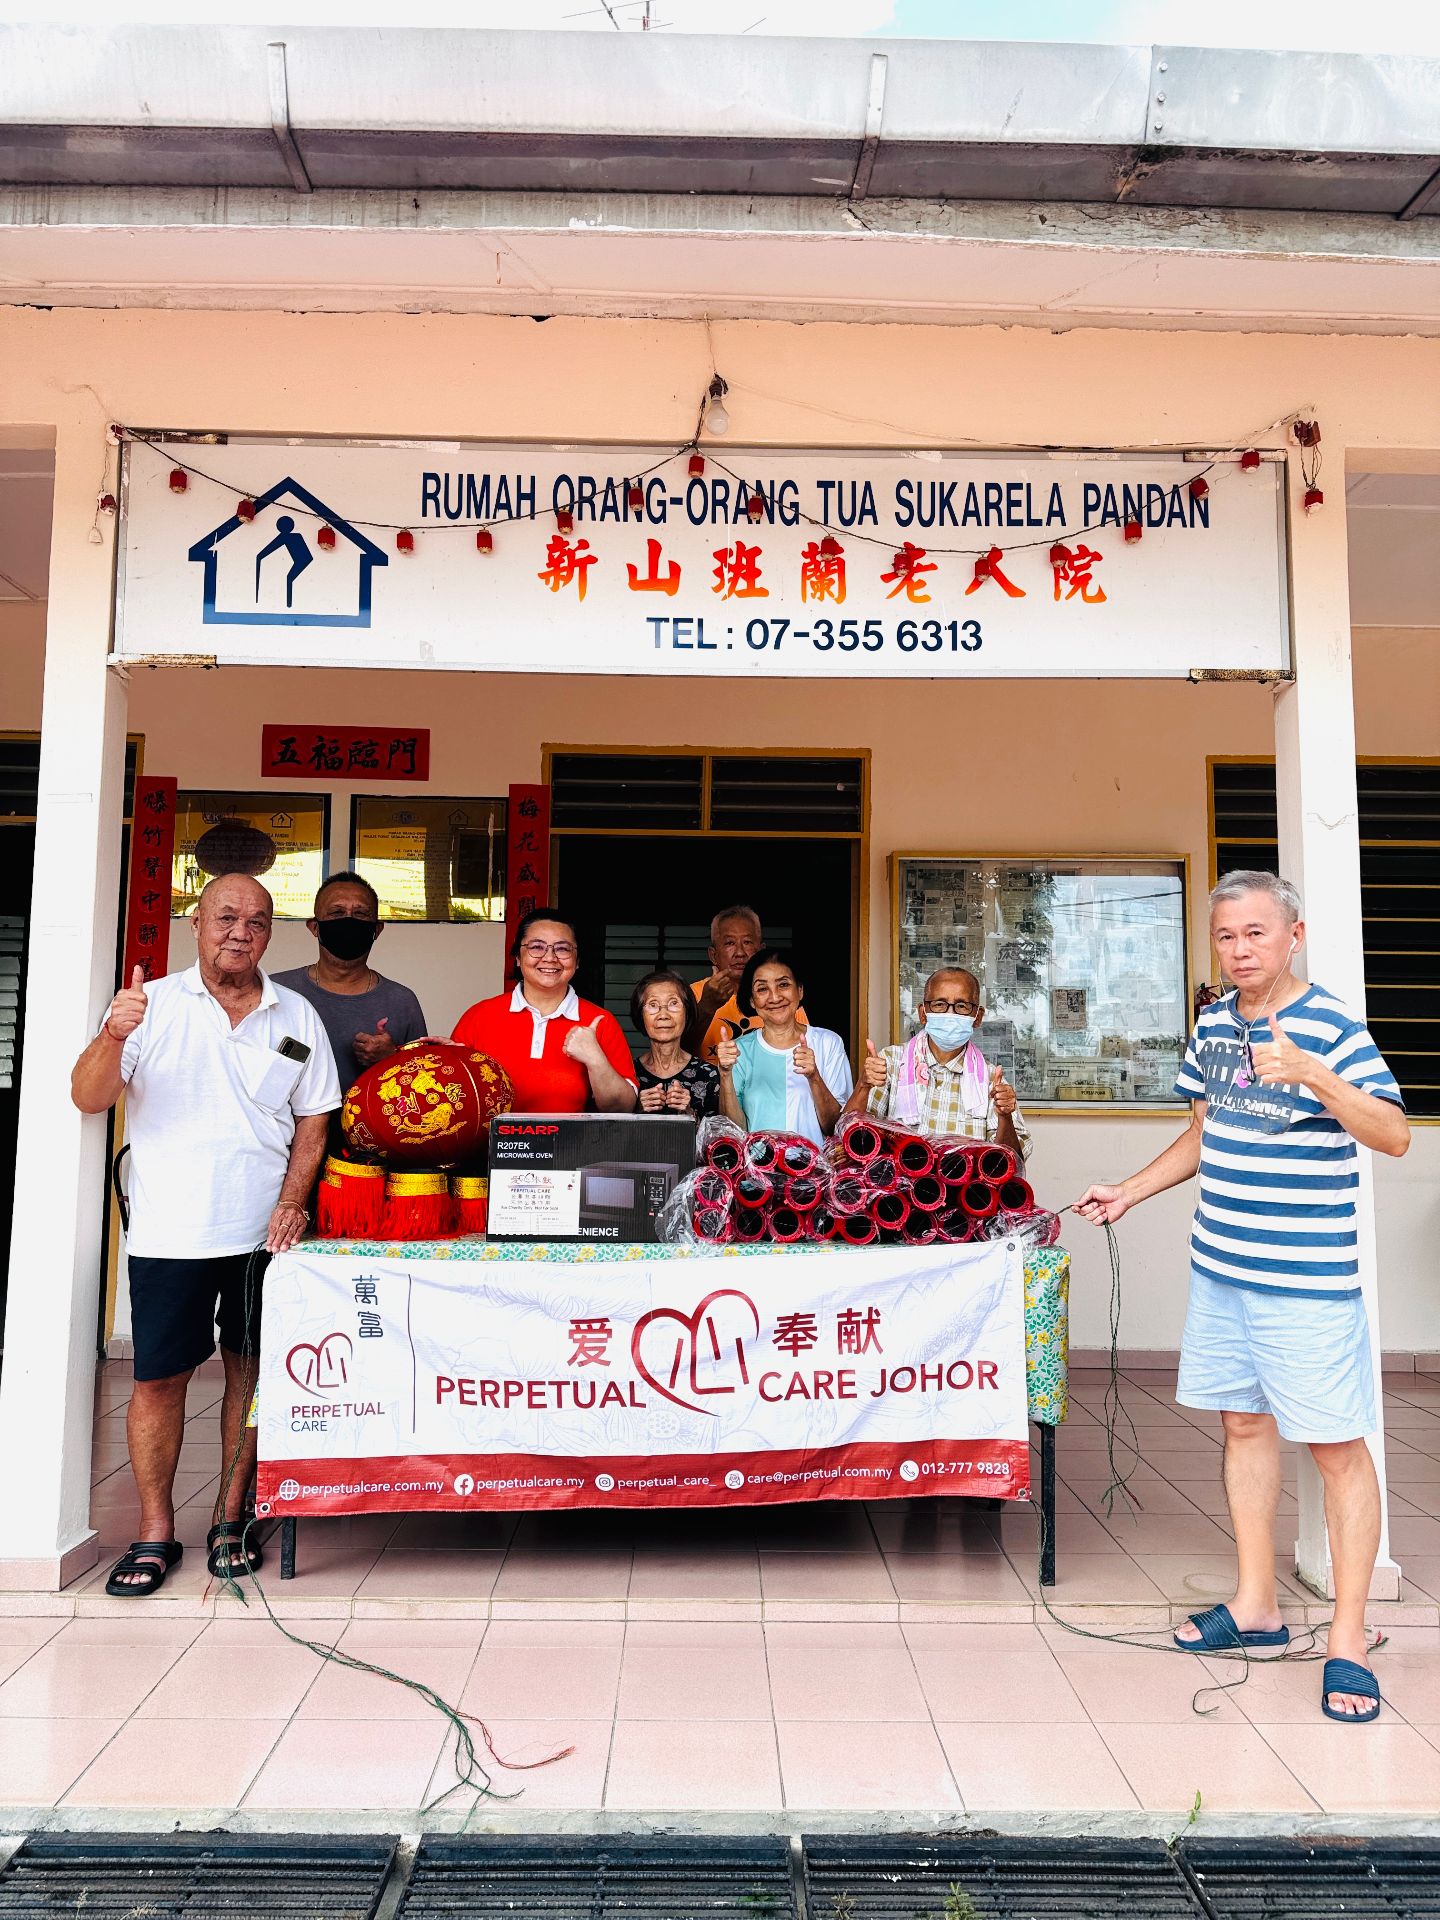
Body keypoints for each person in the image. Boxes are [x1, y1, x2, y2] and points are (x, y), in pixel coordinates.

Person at [1074, 871, 1409, 1724]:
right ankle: (1256, 1605)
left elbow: (1394, 1133)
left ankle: (1346, 1640)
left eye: (1257, 933)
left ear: (1294, 936)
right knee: (1244, 1426)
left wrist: (1314, 1074)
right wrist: (1129, 1190)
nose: (1240, 949)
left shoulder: (1332, 1024)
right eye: (1226, 935)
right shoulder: (1214, 1024)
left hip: (1306, 1280)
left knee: (1336, 1448)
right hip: (1222, 1269)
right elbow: (1204, 1133)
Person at [70, 874, 340, 1596]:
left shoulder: (296, 1014)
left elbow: (315, 1116)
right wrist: (113, 1033)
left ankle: (229, 1516)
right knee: (159, 1379)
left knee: (249, 1373)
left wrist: (293, 1201)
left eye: (256, 921)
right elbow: (88, 1097)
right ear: (196, 923)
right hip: (170, 1231)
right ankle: (155, 1529)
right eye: (225, 917)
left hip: (262, 1235)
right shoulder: (150, 1004)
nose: (239, 933)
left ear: (271, 933)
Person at [452, 908, 636, 1112]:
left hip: (571, 1134)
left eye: (562, 949)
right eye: (537, 947)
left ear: (577, 961)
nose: (550, 958)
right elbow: (454, 1097)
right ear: (518, 957)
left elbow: (622, 1109)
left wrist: (595, 1059)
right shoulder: (479, 1016)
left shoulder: (600, 1021)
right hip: (493, 1135)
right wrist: (439, 1059)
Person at [273, 872, 428, 1104]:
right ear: (314, 927)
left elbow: (424, 1091)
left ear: (377, 929)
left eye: (360, 914)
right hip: (288, 1127)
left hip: (370, 1126)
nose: (348, 921)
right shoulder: (276, 991)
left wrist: (391, 1059)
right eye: (336, 913)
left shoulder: (402, 1001)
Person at [845, 965, 1029, 1159]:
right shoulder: (890, 1062)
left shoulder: (992, 1080)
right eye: (939, 1004)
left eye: (962, 1006)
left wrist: (1005, 1117)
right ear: (923, 1013)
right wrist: (863, 1085)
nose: (950, 1013)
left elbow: (1013, 1161)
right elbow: (847, 1135)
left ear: (977, 1017)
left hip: (963, 1179)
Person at [716, 947, 852, 1145]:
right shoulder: (739, 1051)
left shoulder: (828, 1043)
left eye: (783, 985)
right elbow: (732, 1132)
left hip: (814, 1164)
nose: (774, 997)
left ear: (800, 990)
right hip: (758, 1164)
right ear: (752, 1001)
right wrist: (725, 1074)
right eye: (762, 989)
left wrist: (814, 1077)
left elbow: (837, 1128)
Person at [692, 904, 805, 1066]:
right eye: (729, 943)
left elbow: (803, 1053)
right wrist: (706, 1007)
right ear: (713, 955)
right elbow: (675, 1055)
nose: (740, 953)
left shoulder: (783, 999)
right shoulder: (693, 994)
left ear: (761, 950)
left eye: (747, 942)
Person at [632, 969, 719, 1118]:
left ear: (687, 1012)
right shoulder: (629, 1074)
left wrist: (689, 1115)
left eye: (673, 1003)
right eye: (653, 1005)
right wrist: (635, 1111)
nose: (663, 1015)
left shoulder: (709, 1075)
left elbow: (721, 1131)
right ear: (641, 1015)